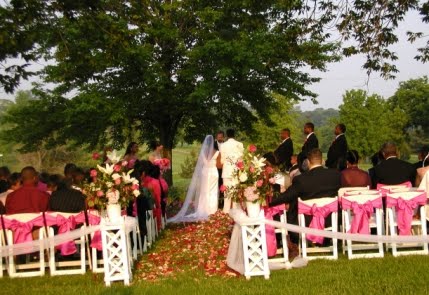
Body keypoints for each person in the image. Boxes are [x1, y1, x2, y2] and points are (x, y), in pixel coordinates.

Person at [269, 148, 341, 247]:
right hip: (330, 219)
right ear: (322, 160)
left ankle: (296, 239)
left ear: (307, 162)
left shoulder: (301, 179)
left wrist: (270, 202)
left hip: (306, 221)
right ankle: (326, 240)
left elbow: (287, 196)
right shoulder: (335, 175)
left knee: (293, 205)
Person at [168, 135, 220, 222]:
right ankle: (212, 210)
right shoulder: (217, 152)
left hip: (205, 172)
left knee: (204, 191)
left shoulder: (203, 152)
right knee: (213, 191)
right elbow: (219, 165)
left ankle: (203, 209)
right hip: (213, 172)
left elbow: (200, 164)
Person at [219, 129, 244, 213]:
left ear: (226, 135)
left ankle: (226, 211)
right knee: (236, 193)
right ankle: (236, 211)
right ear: (234, 135)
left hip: (226, 171)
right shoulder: (240, 144)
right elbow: (242, 160)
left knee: (227, 194)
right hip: (236, 172)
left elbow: (222, 161)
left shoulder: (223, 145)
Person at [214, 130, 225, 209]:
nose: (220, 138)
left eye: (221, 137)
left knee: (223, 185)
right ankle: (216, 202)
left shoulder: (226, 144)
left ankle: (223, 202)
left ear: (223, 137)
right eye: (218, 137)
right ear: (216, 137)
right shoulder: (213, 145)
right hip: (215, 168)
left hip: (224, 168)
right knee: (216, 185)